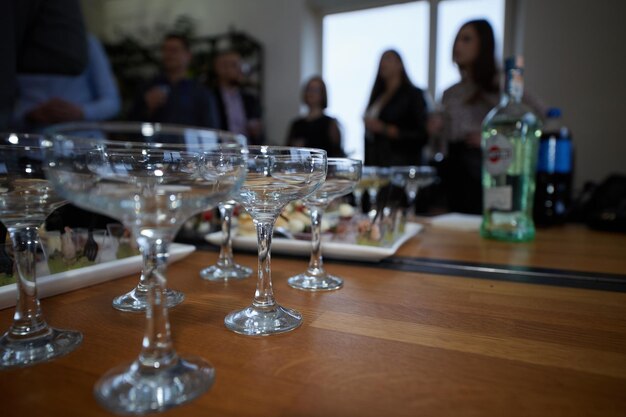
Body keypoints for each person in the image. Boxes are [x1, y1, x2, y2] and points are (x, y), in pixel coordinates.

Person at [440, 19, 544, 214]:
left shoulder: (501, 84)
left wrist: (491, 140)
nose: (458, 45)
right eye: (457, 40)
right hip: (454, 172)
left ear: (484, 44)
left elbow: (538, 117)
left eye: (466, 39)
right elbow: (443, 140)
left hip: (485, 167)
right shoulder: (449, 93)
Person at [0, 0, 87, 129]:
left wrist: (81, 111)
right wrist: (27, 114)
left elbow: (110, 100)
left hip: (77, 131)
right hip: (28, 128)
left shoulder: (88, 47)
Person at [11, 34, 120, 130]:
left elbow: (111, 102)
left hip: (83, 140)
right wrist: (28, 115)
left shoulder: (86, 43)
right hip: (30, 141)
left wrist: (82, 112)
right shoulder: (15, 44)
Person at [129, 33, 220, 128]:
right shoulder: (147, 88)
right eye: (165, 50)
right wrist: (146, 107)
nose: (169, 55)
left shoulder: (201, 92)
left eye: (174, 50)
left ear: (188, 56)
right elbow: (131, 127)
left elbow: (210, 129)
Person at [363, 49, 428, 167]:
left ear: (400, 65)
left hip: (401, 167)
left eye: (388, 58)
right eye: (381, 59)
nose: (383, 63)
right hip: (377, 165)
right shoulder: (377, 96)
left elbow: (421, 134)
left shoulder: (413, 94)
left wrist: (385, 129)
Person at [213, 50, 264, 144]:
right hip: (219, 153)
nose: (240, 70)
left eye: (241, 65)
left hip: (247, 153)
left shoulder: (250, 99)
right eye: (234, 65)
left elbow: (259, 136)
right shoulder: (210, 97)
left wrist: (257, 132)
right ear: (220, 69)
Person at [286, 76, 345, 157]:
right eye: (309, 89)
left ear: (323, 94)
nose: (311, 93)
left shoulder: (330, 124)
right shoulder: (296, 124)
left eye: (315, 90)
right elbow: (287, 153)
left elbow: (337, 153)